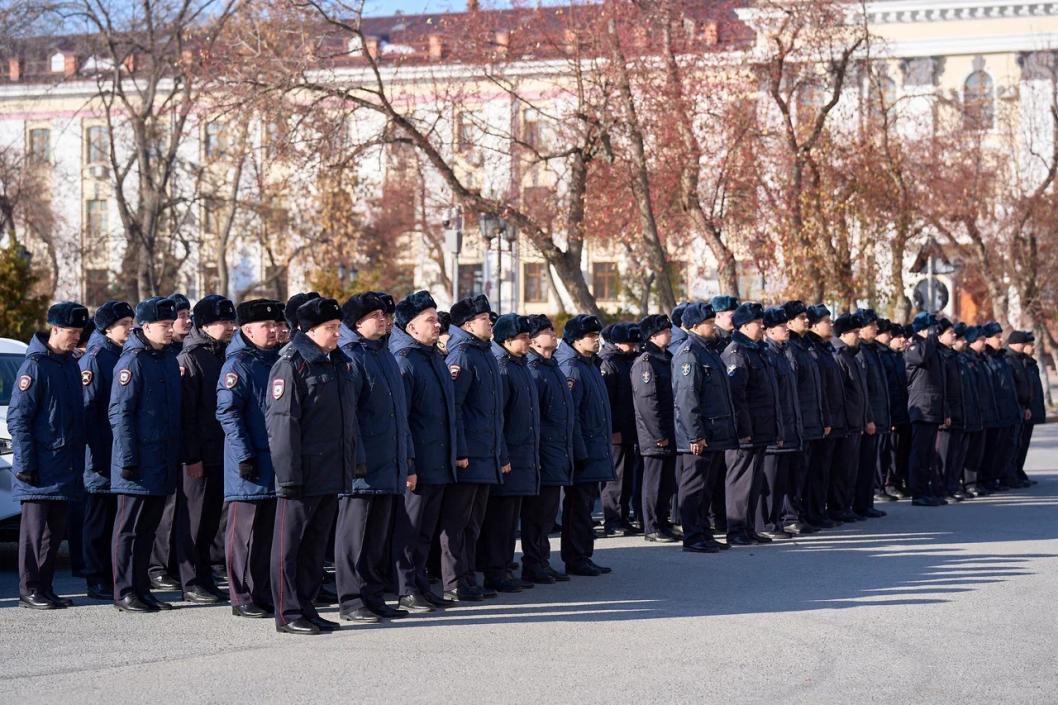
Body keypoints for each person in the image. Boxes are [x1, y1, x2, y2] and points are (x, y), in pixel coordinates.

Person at [267, 297, 357, 634]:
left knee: (314, 547)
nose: (337, 334)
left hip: (329, 470)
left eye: (338, 327)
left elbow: (347, 421)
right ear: (309, 330)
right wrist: (289, 476)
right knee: (289, 547)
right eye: (331, 328)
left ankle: (306, 606)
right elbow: (282, 423)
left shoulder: (337, 362)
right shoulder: (292, 364)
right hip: (301, 474)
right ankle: (287, 612)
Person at [334, 292, 413, 623]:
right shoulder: (350, 357)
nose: (384, 320)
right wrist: (357, 460)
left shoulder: (385, 355)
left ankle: (372, 594)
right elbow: (348, 418)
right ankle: (351, 600)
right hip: (363, 465)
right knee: (356, 536)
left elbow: (399, 415)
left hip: (389, 460)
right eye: (376, 316)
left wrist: (406, 458)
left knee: (377, 537)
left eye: (385, 316)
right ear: (357, 322)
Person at [9, 302, 89, 609]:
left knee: (54, 534)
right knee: (34, 533)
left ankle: (45, 586)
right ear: (55, 329)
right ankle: (29, 588)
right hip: (40, 467)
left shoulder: (69, 364)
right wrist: (26, 464)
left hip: (64, 464)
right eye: (71, 332)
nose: (76, 338)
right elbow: (19, 418)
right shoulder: (35, 366)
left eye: (80, 332)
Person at [110, 296, 182, 612]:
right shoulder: (133, 362)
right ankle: (125, 591)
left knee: (148, 530)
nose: (170, 331)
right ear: (147, 326)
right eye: (165, 326)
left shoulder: (166, 359)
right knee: (129, 530)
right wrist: (127, 459)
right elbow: (120, 413)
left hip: (161, 459)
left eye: (171, 325)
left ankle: (142, 588)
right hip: (137, 463)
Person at [216, 298, 285, 618]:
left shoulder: (276, 361)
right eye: (266, 326)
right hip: (249, 462)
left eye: (275, 325)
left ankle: (261, 592)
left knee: (267, 534)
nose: (273, 331)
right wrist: (244, 455)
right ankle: (241, 595)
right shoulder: (238, 364)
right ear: (247, 330)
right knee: (243, 534)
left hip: (276, 459)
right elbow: (229, 413)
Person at [389, 291, 457, 612]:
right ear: (411, 328)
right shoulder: (405, 361)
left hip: (439, 459)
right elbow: (401, 420)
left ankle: (421, 584)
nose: (437, 324)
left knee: (426, 531)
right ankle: (405, 589)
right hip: (418, 462)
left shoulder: (434, 357)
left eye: (437, 318)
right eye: (430, 320)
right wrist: (409, 463)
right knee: (409, 529)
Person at [441, 294, 508, 601]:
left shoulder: (483, 353)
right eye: (485, 319)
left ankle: (468, 577)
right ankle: (454, 581)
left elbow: (494, 413)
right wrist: (460, 451)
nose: (490, 322)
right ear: (468, 324)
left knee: (473, 522)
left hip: (486, 452)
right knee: (457, 522)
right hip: (469, 455)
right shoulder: (463, 354)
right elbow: (454, 408)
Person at [174, 294, 236, 604]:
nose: (229, 327)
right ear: (205, 325)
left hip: (220, 451)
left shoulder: (223, 354)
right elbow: (187, 415)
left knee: (211, 518)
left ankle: (205, 574)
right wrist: (192, 457)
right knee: (194, 521)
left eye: (230, 321)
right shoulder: (191, 358)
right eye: (223, 322)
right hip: (199, 454)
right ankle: (190, 579)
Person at [80, 300, 135, 601]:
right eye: (124, 324)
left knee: (115, 518)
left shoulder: (121, 354)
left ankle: (112, 574)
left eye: (131, 322)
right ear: (107, 328)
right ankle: (95, 576)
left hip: (118, 450)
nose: (130, 328)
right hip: (101, 452)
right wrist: (99, 456)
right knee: (98, 519)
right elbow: (90, 411)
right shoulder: (96, 358)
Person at [481, 314, 540, 593]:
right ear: (507, 340)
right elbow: (498, 419)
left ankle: (504, 567)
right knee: (500, 520)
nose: (528, 342)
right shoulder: (503, 368)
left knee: (510, 519)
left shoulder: (521, 366)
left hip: (523, 455)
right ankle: (496, 571)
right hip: (508, 457)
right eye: (523, 338)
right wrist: (502, 455)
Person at [671, 302, 734, 553]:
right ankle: (692, 536)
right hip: (699, 435)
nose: (714, 326)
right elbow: (687, 399)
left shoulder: (708, 351)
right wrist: (695, 434)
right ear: (695, 326)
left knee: (706, 488)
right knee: (694, 486)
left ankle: (704, 531)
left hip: (714, 432)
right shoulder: (689, 354)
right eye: (709, 323)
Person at [556, 314, 615, 575]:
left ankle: (583, 554)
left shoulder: (589, 364)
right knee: (577, 507)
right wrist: (579, 451)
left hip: (595, 447)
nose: (596, 341)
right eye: (591, 337)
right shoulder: (572, 367)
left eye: (597, 336)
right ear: (576, 340)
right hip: (584, 451)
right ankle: (575, 557)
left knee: (586, 506)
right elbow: (573, 416)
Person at [722, 302, 780, 546]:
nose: (762, 326)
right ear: (745, 326)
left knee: (753, 482)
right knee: (740, 481)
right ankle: (736, 530)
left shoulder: (757, 351)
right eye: (758, 323)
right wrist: (742, 430)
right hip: (746, 432)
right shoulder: (736, 353)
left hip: (761, 429)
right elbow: (737, 398)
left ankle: (748, 528)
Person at [523, 315, 574, 583]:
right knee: (536, 513)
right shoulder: (534, 369)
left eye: (552, 330)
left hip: (557, 451)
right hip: (542, 453)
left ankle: (542, 560)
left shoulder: (551, 366)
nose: (553, 335)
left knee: (547, 513)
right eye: (546, 331)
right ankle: (533, 562)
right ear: (532, 340)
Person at [148, 292, 191, 591]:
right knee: (164, 509)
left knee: (179, 509)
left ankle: (173, 563)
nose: (185, 321)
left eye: (188, 315)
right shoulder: (162, 356)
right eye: (180, 316)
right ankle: (157, 567)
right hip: (156, 445)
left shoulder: (178, 352)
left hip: (179, 441)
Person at [631, 314, 677, 543]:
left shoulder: (666, 358)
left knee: (666, 483)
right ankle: (652, 526)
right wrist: (659, 434)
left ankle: (663, 521)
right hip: (654, 435)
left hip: (670, 430)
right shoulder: (646, 362)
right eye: (665, 331)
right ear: (652, 336)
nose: (669, 333)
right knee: (654, 483)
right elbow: (647, 402)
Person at [780, 301, 824, 535]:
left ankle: (802, 512)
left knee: (805, 472)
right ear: (789, 322)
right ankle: (790, 516)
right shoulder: (790, 350)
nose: (806, 321)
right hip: (798, 422)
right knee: (794, 473)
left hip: (809, 420)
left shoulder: (803, 347)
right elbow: (793, 391)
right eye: (801, 317)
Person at [759, 306, 802, 539]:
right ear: (770, 331)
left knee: (782, 480)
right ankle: (766, 523)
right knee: (771, 480)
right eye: (782, 327)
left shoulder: (782, 353)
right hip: (775, 429)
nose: (787, 330)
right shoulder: (768, 354)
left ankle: (776, 521)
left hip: (787, 425)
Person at [599, 322, 642, 537]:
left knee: (627, 477)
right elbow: (608, 401)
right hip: (616, 430)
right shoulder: (609, 363)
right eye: (629, 344)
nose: (633, 347)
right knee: (615, 478)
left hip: (630, 428)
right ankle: (612, 520)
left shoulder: (628, 360)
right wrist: (613, 428)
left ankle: (623, 517)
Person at [804, 305, 844, 528]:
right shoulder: (811, 348)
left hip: (832, 417)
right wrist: (826, 418)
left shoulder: (825, 348)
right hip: (820, 419)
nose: (830, 324)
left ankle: (820, 510)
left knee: (825, 469)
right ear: (814, 325)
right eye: (826, 321)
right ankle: (812, 511)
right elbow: (820, 390)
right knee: (816, 470)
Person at [905, 312, 950, 506]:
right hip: (921, 408)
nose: (935, 333)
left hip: (932, 408)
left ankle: (927, 490)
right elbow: (922, 357)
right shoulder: (914, 347)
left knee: (928, 454)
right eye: (931, 329)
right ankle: (917, 493)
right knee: (919, 452)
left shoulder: (932, 348)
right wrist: (931, 336)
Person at [829, 313, 870, 522]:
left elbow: (859, 393)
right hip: (845, 423)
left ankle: (845, 506)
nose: (859, 336)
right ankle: (838, 507)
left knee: (850, 469)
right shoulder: (838, 355)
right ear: (844, 334)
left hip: (855, 422)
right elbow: (841, 396)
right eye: (855, 332)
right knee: (841, 469)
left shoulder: (850, 355)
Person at [854, 309, 891, 514]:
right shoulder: (860, 352)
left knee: (870, 463)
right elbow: (863, 391)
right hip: (869, 418)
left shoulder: (873, 350)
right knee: (864, 463)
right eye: (872, 325)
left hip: (878, 414)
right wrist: (868, 418)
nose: (876, 328)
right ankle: (860, 503)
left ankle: (867, 502)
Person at [980, 321, 1021, 491]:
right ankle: (988, 479)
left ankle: (999, 477)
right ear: (987, 340)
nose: (1001, 340)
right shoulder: (986, 359)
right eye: (997, 337)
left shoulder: (1002, 357)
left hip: (1008, 410)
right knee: (992, 449)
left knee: (1005, 447)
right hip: (995, 412)